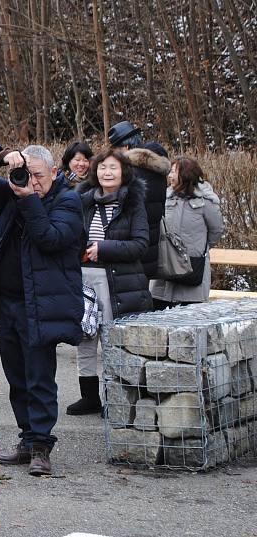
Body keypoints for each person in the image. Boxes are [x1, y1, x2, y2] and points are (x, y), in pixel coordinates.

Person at [0, 144, 84, 476]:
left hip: (41, 305)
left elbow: (50, 238)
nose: (33, 183)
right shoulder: (15, 192)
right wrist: (0, 159)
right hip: (8, 304)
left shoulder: (68, 202)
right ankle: (27, 440)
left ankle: (42, 446)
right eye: (29, 175)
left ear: (55, 173)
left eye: (40, 176)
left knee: (40, 378)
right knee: (17, 378)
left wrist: (28, 197)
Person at [69, 148, 152, 415]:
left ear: (124, 172)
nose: (107, 172)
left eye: (113, 168)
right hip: (83, 278)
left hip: (117, 281)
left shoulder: (133, 203)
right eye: (103, 167)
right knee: (84, 337)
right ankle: (89, 396)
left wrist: (103, 249)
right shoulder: (83, 201)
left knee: (112, 340)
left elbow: (141, 244)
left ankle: (117, 397)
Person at [150, 157, 224, 308]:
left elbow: (216, 231)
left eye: (174, 172)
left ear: (186, 174)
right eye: (170, 172)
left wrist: (199, 248)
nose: (170, 176)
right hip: (165, 267)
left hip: (192, 267)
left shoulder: (206, 202)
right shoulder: (164, 197)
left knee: (189, 322)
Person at [108, 120, 171, 280]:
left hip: (130, 246)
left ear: (127, 148)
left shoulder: (131, 173)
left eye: (117, 149)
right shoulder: (157, 172)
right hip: (150, 245)